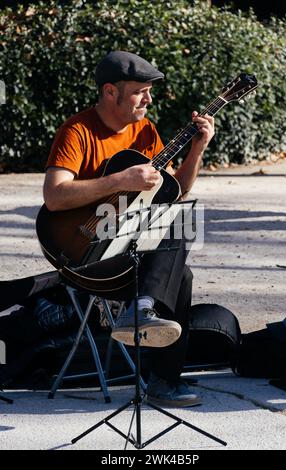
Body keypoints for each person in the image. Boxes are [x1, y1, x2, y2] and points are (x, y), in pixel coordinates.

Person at [43, 51, 214, 407]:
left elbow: (173, 192)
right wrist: (120, 180)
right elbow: (55, 197)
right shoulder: (77, 130)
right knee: (177, 238)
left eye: (149, 91)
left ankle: (161, 377)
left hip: (124, 247)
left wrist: (196, 149)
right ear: (110, 91)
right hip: (81, 253)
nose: (148, 99)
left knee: (180, 243)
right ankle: (142, 312)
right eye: (140, 91)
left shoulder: (145, 131)